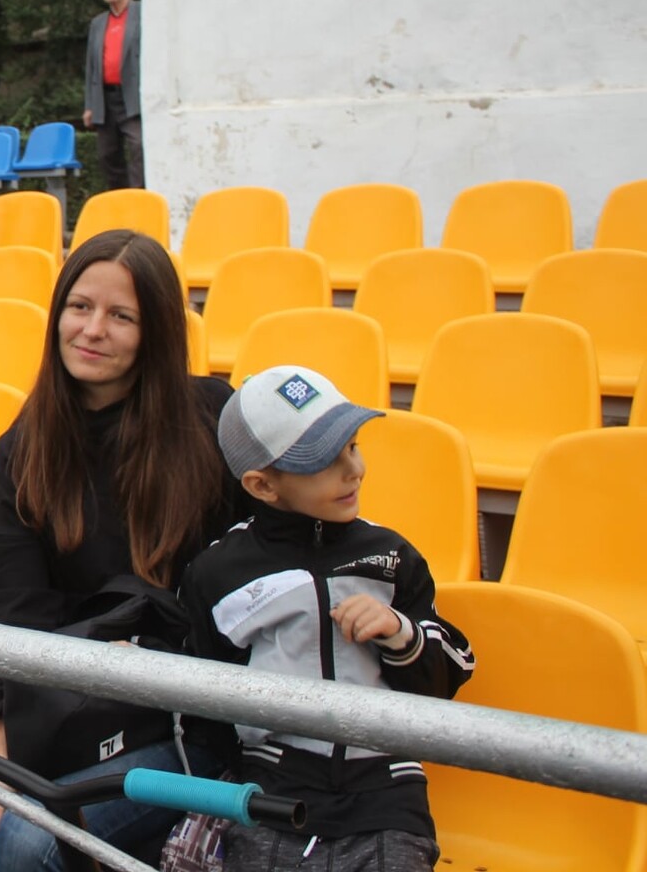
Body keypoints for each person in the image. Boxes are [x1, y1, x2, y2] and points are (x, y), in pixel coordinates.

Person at [0, 229, 242, 872]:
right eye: (79, 307)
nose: (92, 330)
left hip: (182, 714)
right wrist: (6, 752)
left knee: (35, 839)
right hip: (55, 704)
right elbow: (8, 610)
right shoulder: (27, 445)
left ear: (157, 331)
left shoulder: (211, 424)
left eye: (122, 316)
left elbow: (249, 584)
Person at [182, 367, 474, 871]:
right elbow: (201, 709)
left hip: (388, 800)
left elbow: (454, 670)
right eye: (324, 461)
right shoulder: (217, 574)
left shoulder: (391, 555)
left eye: (354, 446)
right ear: (262, 484)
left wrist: (401, 635)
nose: (353, 470)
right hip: (272, 801)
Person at [84, 0, 144, 190]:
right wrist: (89, 105)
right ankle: (119, 198)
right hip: (105, 97)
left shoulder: (142, 12)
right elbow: (91, 66)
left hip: (132, 95)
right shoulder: (98, 23)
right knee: (106, 154)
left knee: (139, 146)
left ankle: (139, 195)